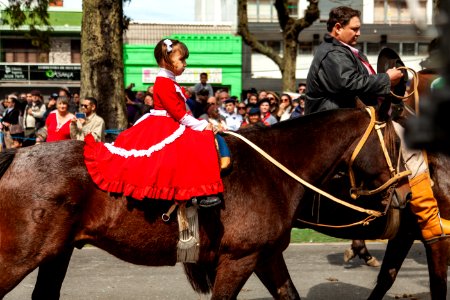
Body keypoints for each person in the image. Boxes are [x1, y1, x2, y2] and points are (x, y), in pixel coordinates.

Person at [305, 6, 450, 242]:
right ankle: (429, 219)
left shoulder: (343, 50)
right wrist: (386, 79)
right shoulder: (333, 53)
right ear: (337, 28)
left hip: (345, 119)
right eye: (355, 28)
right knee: (407, 143)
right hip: (335, 124)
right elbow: (349, 83)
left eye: (359, 28)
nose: (359, 33)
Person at [83, 38, 223, 208]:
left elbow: (181, 111)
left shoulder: (170, 81)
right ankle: (202, 192)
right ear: (166, 60)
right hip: (164, 123)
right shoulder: (163, 82)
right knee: (201, 139)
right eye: (181, 59)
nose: (185, 64)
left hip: (170, 121)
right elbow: (178, 113)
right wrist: (202, 125)